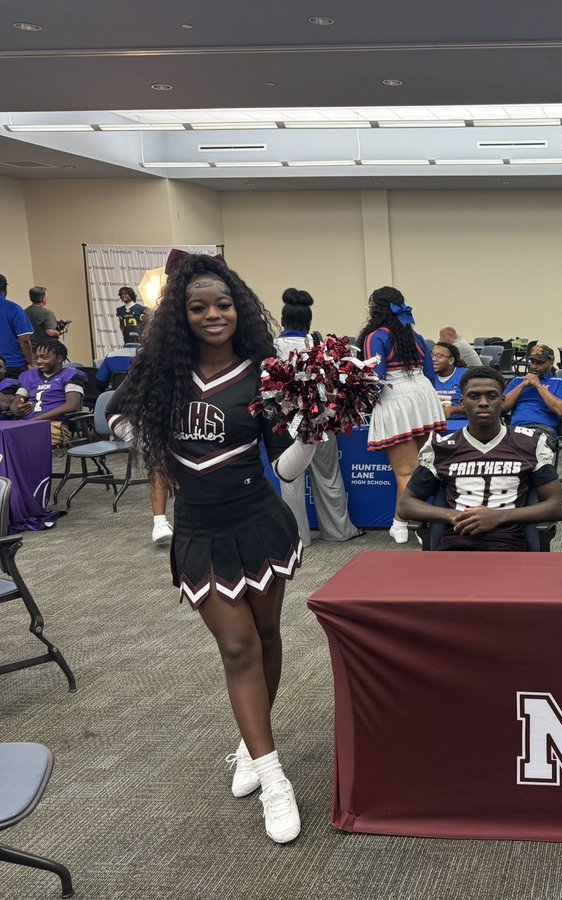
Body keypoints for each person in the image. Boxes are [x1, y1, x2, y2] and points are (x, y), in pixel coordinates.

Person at [107, 253, 322, 843]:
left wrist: (310, 432)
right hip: (198, 531)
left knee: (268, 637)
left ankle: (253, 746)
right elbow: (116, 416)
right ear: (181, 313)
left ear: (239, 309)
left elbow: (284, 465)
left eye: (223, 304)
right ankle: (275, 777)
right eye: (198, 306)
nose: (213, 314)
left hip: (259, 523)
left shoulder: (263, 373)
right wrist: (157, 454)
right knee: (236, 647)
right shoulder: (162, 372)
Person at [399, 365, 562, 550]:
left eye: (492, 396)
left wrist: (499, 516)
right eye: (474, 396)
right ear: (462, 402)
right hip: (453, 547)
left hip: (507, 548)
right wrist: (454, 516)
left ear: (502, 401)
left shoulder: (529, 444)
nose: (483, 402)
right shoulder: (443, 447)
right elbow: (406, 505)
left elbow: (558, 506)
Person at [274, 288, 363, 546]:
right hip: (320, 421)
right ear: (309, 323)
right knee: (328, 475)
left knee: (289, 479)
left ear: (282, 321)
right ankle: (339, 531)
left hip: (285, 423)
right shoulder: (320, 347)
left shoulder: (270, 348)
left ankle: (297, 538)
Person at [360, 286, 446, 543]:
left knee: (405, 471)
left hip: (396, 397)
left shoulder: (375, 336)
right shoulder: (416, 335)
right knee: (423, 466)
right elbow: (431, 375)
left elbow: (375, 378)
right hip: (424, 396)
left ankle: (403, 523)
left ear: (376, 307)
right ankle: (418, 522)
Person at [11, 340, 85, 446]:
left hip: (54, 424)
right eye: (37, 358)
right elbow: (14, 404)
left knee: (22, 443)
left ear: (59, 358)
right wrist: (17, 409)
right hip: (26, 425)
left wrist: (35, 420)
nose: (39, 361)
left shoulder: (71, 375)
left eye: (44, 357)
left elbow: (72, 405)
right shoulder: (29, 376)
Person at [502, 343, 562, 445]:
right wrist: (523, 385)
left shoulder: (559, 382)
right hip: (515, 429)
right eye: (532, 362)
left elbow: (561, 410)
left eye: (539, 363)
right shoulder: (517, 382)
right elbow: (500, 408)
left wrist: (538, 385)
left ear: (551, 363)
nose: (534, 366)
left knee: (527, 447)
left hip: (542, 430)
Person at [0, 273, 35, 376]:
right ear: (5, 288)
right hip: (13, 365)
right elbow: (24, 340)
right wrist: (30, 363)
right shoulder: (14, 309)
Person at [429, 340, 468, 431]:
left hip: (461, 423)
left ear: (451, 360)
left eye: (439, 356)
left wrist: (453, 409)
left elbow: (475, 406)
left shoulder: (465, 376)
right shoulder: (427, 376)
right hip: (434, 425)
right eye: (432, 355)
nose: (433, 359)